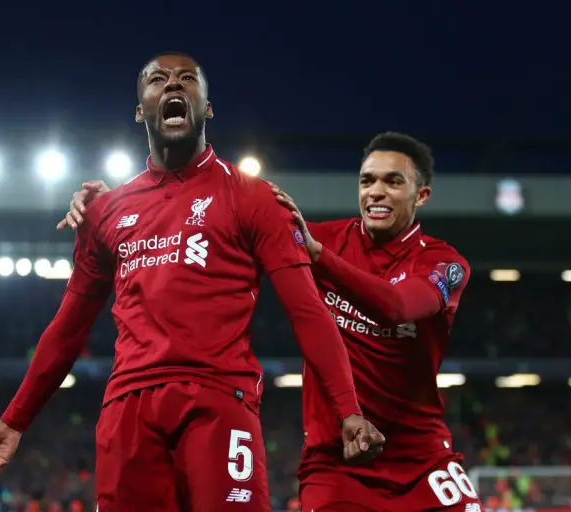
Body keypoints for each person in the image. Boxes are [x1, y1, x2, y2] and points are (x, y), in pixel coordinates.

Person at [0, 52, 384, 512]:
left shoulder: (254, 198)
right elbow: (68, 326)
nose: (173, 86)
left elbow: (307, 311)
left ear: (207, 106)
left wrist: (349, 409)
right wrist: (16, 418)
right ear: (141, 109)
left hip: (219, 401)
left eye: (186, 80)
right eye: (158, 80)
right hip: (128, 410)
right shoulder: (106, 212)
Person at [59, 132, 482, 511]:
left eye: (393, 182)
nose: (376, 192)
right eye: (367, 180)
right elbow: (211, 225)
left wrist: (318, 257)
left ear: (421, 194)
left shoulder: (443, 263)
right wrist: (116, 207)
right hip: (337, 463)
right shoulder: (323, 236)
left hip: (423, 458)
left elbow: (396, 306)